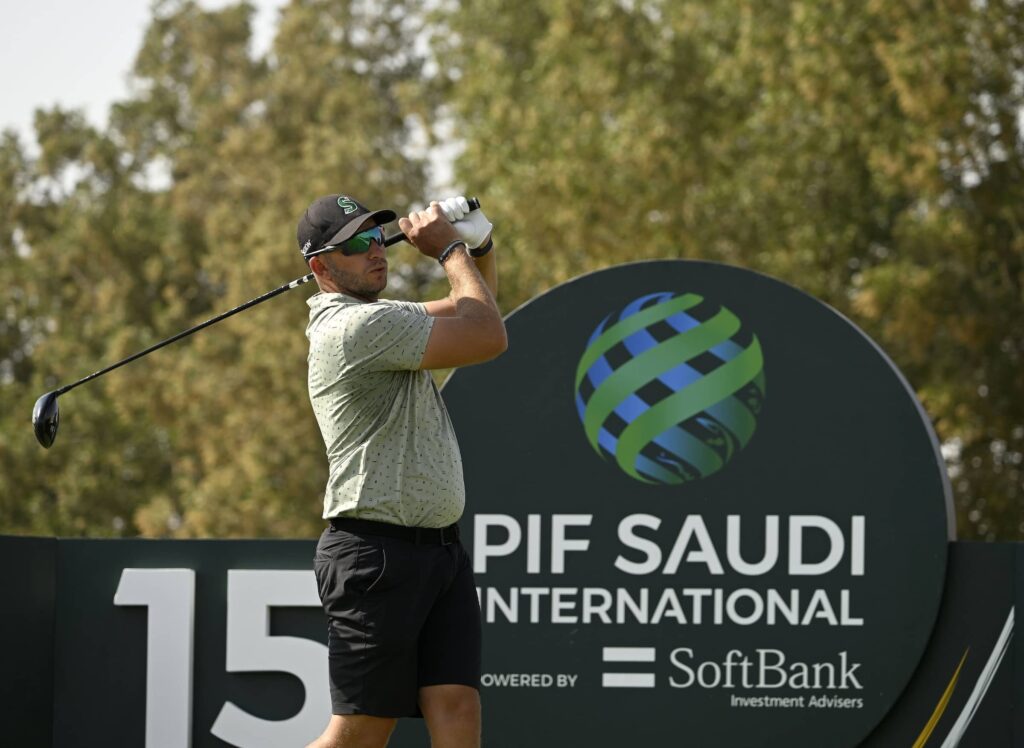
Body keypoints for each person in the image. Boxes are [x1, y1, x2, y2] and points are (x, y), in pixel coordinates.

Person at [296, 193, 506, 748]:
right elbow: (486, 335)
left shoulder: (382, 320)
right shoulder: (353, 330)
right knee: (362, 730)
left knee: (457, 707)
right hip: (374, 553)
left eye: (376, 237)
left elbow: (475, 310)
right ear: (320, 267)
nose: (377, 252)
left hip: (439, 552)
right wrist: (451, 249)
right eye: (357, 244)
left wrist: (478, 248)